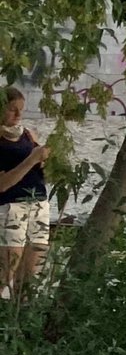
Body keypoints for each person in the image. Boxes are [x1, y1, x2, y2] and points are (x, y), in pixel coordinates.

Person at [0, 88, 47, 301]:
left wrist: (45, 159)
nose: (18, 116)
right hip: (12, 205)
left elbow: (40, 167)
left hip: (38, 202)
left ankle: (23, 320)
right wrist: (31, 160)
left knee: (30, 274)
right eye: (12, 110)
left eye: (21, 110)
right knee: (7, 272)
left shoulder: (27, 134)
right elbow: (2, 184)